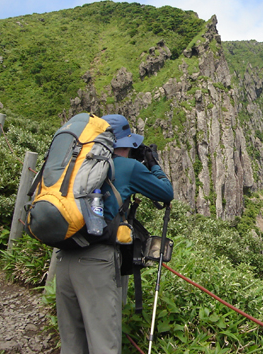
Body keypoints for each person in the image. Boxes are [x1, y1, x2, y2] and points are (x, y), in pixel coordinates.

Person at [55, 114, 174, 354]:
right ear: (125, 144)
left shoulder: (76, 164)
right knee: (104, 345)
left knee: (72, 344)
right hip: (95, 262)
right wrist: (153, 164)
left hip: (63, 256)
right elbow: (166, 192)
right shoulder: (127, 167)